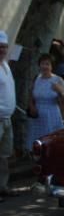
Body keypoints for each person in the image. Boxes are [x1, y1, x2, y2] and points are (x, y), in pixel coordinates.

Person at [27, 54, 64, 150]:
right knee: (36, 141)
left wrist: (59, 91)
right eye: (42, 64)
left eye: (47, 64)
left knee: (50, 141)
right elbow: (31, 94)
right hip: (37, 114)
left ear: (52, 66)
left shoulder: (57, 80)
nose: (44, 66)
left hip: (51, 114)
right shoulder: (37, 78)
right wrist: (31, 106)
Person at [0, 30, 18, 201]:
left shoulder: (5, 66)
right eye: (0, 47)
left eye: (4, 47)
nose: (3, 50)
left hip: (7, 119)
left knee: (4, 156)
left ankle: (2, 186)